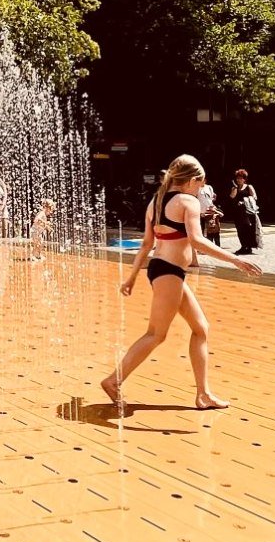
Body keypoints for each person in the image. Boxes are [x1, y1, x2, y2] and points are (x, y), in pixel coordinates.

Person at [103, 155, 263, 411]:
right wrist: (236, 260)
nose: (201, 189)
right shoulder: (187, 201)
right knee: (156, 334)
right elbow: (197, 241)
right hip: (168, 273)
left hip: (162, 270)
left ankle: (203, 394)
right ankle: (114, 380)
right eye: (200, 184)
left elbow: (147, 245)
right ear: (191, 180)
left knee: (201, 328)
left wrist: (132, 277)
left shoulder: (156, 201)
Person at [228, 170, 263, 255]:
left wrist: (244, 201)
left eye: (240, 178)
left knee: (248, 228)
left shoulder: (249, 187)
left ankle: (249, 246)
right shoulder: (234, 188)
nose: (238, 180)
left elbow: (254, 197)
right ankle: (243, 246)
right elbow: (232, 196)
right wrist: (235, 187)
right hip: (238, 212)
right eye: (237, 178)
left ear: (244, 179)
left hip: (247, 212)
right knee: (240, 229)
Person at [198, 181, 224, 247]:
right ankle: (202, 246)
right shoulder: (196, 188)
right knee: (201, 229)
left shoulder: (209, 187)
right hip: (200, 210)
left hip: (210, 210)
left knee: (211, 228)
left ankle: (212, 246)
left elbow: (212, 197)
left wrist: (213, 207)